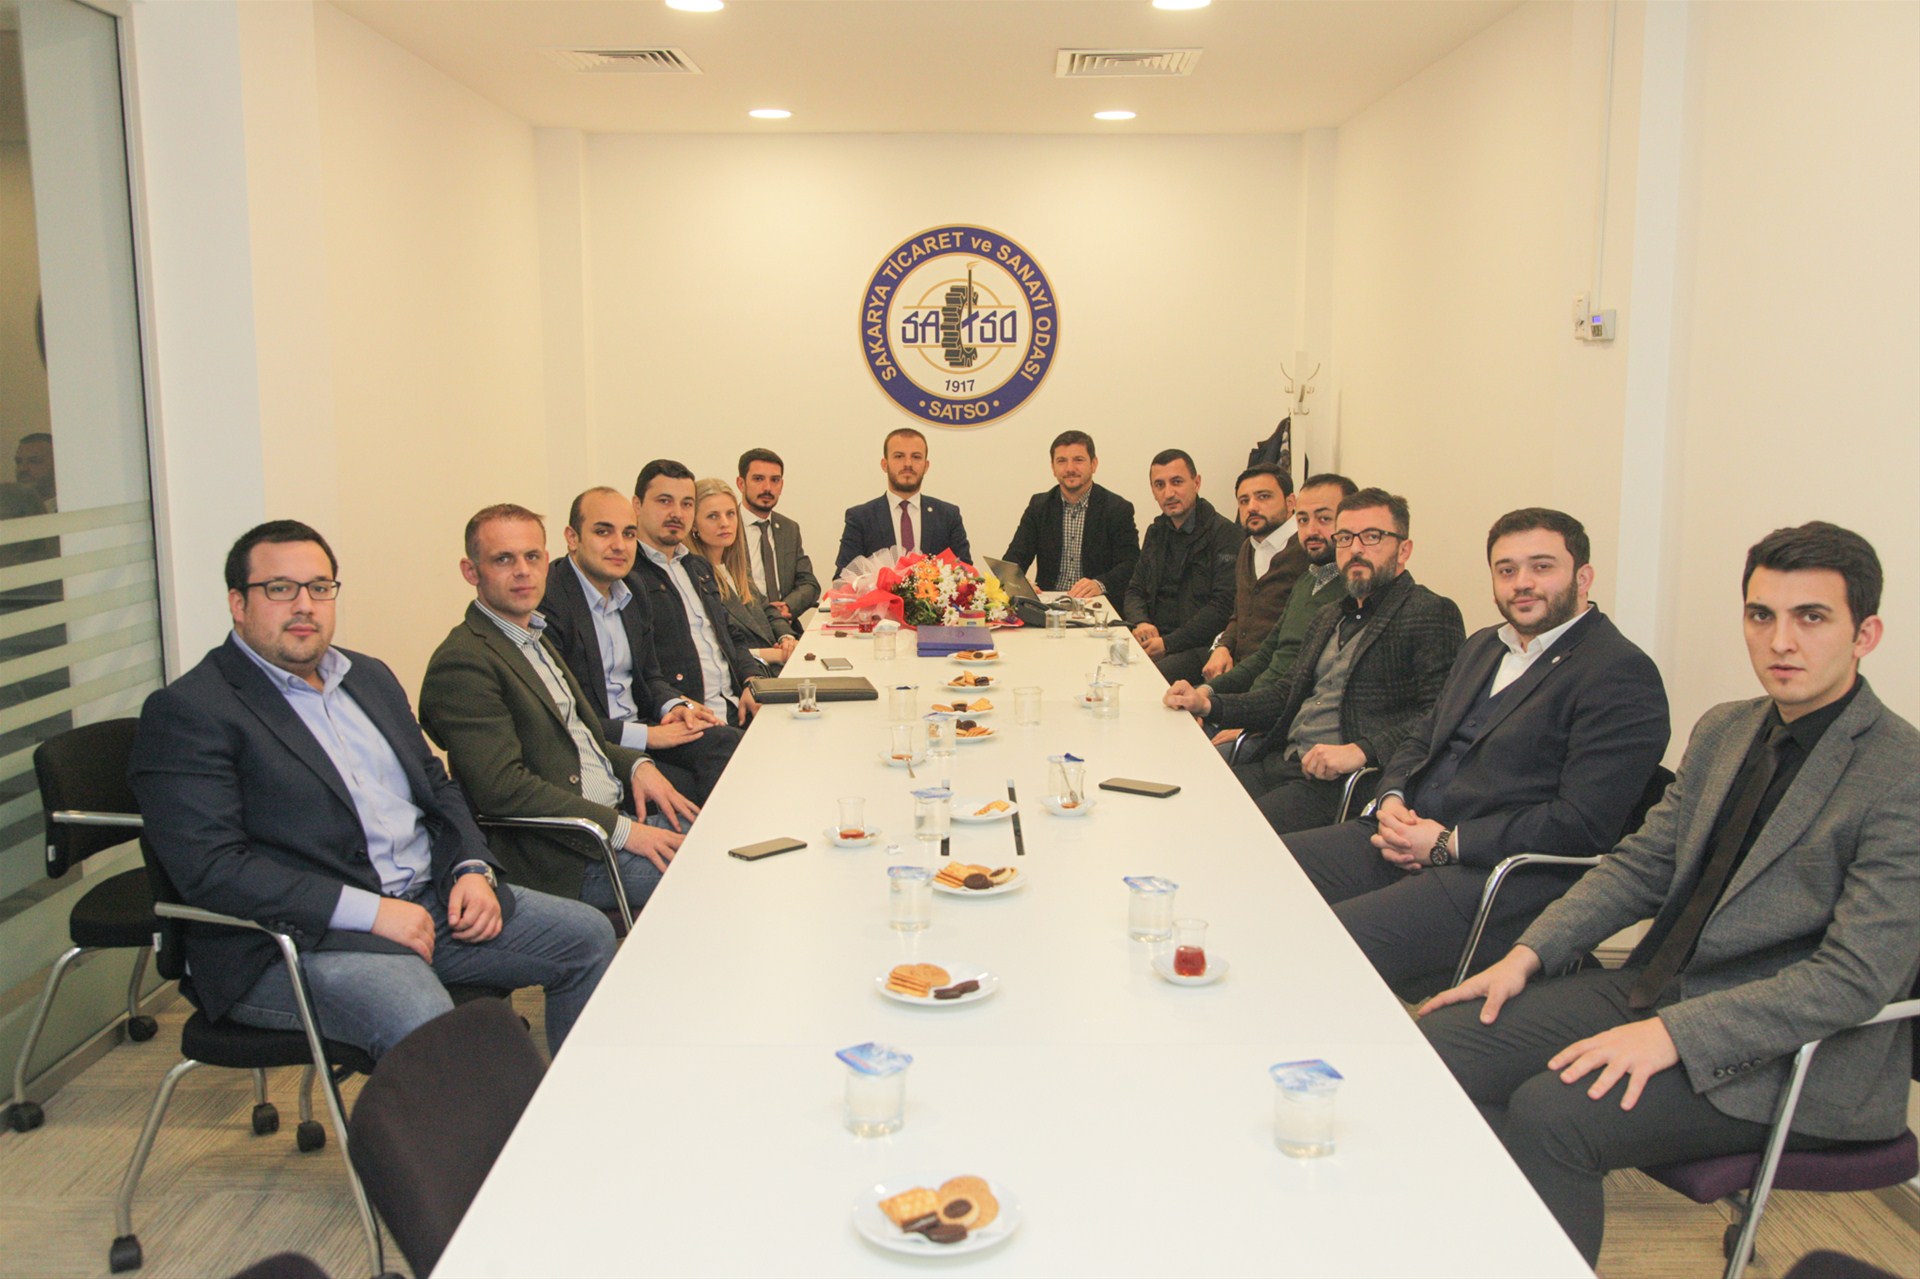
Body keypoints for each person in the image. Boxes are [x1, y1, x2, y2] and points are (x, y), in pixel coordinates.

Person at [1419, 522, 1919, 1268]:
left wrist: (1676, 1035)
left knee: (1553, 1115)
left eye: (1811, 617)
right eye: (1761, 615)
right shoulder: (1727, 729)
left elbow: (1854, 978)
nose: (1781, 640)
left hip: (1787, 1050)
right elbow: (1640, 867)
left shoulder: (1900, 775)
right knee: (1442, 1046)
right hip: (1656, 985)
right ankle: (1488, 1249)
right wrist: (1527, 954)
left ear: (1864, 634)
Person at [129, 520, 616, 1059]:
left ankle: (574, 1101)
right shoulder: (191, 711)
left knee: (586, 936)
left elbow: (437, 788)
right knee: (426, 1019)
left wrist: (471, 867)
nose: (304, 605)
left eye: (319, 587)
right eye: (280, 589)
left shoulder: (367, 677)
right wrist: (373, 912)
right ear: (238, 604)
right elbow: (213, 870)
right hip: (301, 938)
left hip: (432, 901)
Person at [1282, 507, 1670, 995]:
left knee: (1315, 947)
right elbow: (1423, 737)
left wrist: (1448, 842)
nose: (1522, 582)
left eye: (1542, 567)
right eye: (1506, 570)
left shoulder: (1619, 672)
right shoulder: (1484, 646)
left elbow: (1583, 822)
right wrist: (1393, 799)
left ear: (1583, 577)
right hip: (1405, 835)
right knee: (1261, 874)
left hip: (1495, 874)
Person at [420, 504, 694, 920]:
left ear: (546, 561)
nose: (523, 571)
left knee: (733, 835)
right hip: (562, 854)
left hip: (608, 819)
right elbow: (503, 789)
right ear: (471, 571)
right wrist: (623, 831)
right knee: (714, 868)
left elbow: (577, 736)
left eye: (532, 557)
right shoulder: (463, 662)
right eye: (503, 559)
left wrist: (636, 765)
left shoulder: (534, 636)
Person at [1172, 489, 1464, 835]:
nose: (1355, 549)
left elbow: (1439, 716)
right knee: (1184, 801)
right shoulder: (1329, 615)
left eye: (1372, 537)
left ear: (1404, 550)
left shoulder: (1429, 611)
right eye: (1345, 538)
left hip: (1342, 783)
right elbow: (1285, 694)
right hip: (1282, 762)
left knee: (1224, 831)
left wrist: (1362, 750)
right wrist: (1209, 703)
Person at [537, 486, 741, 805]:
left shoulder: (632, 587)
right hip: (597, 748)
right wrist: (649, 736)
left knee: (733, 744)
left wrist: (674, 706)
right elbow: (563, 717)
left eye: (629, 534)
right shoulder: (549, 600)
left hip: (644, 728)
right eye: (603, 532)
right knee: (709, 785)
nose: (619, 545)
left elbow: (651, 677)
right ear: (572, 538)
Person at [1166, 473, 1357, 747]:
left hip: (1278, 723)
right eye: (1304, 520)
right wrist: (1206, 691)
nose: (1311, 530)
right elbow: (1267, 652)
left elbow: (1302, 686)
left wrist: (1235, 715)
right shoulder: (1307, 579)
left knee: (1181, 747)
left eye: (1324, 518)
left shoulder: (1352, 593)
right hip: (1252, 699)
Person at [630, 460, 767, 725]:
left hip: (735, 707)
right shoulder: (629, 575)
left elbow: (733, 638)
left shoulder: (697, 567)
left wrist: (752, 681)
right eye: (664, 501)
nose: (677, 513)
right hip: (689, 719)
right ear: (637, 505)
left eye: (686, 504)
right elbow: (639, 670)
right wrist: (680, 705)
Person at [1121, 448, 1239, 683]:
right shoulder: (1156, 532)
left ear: (1196, 483)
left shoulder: (1225, 534)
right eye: (1160, 485)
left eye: (1177, 482)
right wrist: (1141, 622)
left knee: (1142, 681)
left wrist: (1168, 643)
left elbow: (1222, 607)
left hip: (1199, 646)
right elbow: (1134, 589)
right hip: (1156, 641)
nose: (1169, 493)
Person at [999, 430, 1139, 599]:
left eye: (1078, 460)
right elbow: (1014, 558)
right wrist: (1021, 583)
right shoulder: (1039, 506)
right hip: (1049, 601)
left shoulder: (1117, 508)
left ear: (1094, 464)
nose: (1070, 468)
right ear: (1053, 468)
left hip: (1096, 601)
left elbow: (1130, 563)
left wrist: (1100, 584)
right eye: (1061, 461)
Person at [1198, 464, 1307, 684]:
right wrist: (1222, 647)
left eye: (1263, 497)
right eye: (1244, 501)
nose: (1252, 507)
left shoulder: (1306, 550)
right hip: (1239, 671)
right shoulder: (1247, 547)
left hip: (1278, 679)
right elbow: (1239, 614)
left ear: (1290, 502)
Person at [834, 427, 973, 576]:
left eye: (916, 457)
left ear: (926, 466)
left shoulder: (948, 516)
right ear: (884, 464)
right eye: (899, 456)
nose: (908, 463)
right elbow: (844, 578)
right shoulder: (860, 518)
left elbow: (966, 575)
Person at [691, 477, 798, 669]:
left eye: (730, 514)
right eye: (713, 516)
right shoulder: (694, 578)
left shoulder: (734, 567)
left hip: (771, 666)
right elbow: (715, 651)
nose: (725, 523)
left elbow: (767, 610)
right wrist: (773, 654)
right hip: (746, 674)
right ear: (693, 524)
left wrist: (786, 637)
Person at [735, 447, 820, 622]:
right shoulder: (727, 528)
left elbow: (809, 584)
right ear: (741, 484)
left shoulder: (789, 529)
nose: (767, 488)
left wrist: (788, 606)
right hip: (745, 629)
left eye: (775, 480)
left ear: (781, 485)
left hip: (786, 625)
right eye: (758, 479)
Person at [14, 432, 54, 511]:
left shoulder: (73, 506)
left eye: (34, 461)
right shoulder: (10, 511)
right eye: (18, 462)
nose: (22, 469)